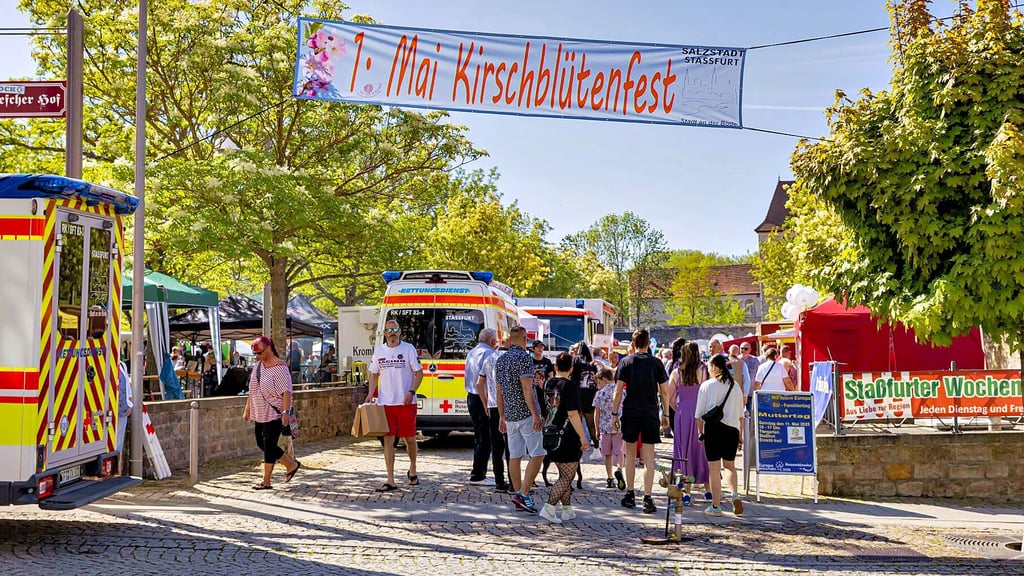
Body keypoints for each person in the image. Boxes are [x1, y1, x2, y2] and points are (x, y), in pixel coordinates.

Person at [611, 328, 671, 514]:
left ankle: (630, 493)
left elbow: (618, 390)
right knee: (649, 457)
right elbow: (665, 391)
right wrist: (666, 414)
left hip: (630, 410)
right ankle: (648, 497)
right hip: (650, 411)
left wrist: (614, 414)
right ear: (648, 344)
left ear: (634, 343)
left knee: (630, 454)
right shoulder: (657, 363)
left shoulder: (626, 362)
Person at [366, 320, 424, 492]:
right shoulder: (379, 351)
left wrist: (411, 391)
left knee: (410, 439)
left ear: (400, 332)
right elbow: (373, 374)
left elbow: (418, 373)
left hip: (406, 402)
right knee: (388, 440)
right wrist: (371, 393)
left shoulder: (408, 349)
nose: (392, 333)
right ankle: (390, 479)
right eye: (389, 330)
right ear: (384, 333)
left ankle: (413, 468)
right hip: (386, 403)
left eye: (395, 329)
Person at [495, 325, 545, 514]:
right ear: (524, 339)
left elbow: (499, 391)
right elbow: (527, 388)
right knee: (538, 453)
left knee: (514, 456)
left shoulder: (501, 360)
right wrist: (535, 413)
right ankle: (523, 493)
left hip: (509, 414)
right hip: (525, 414)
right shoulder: (524, 358)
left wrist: (501, 415)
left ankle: (518, 494)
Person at [242, 335, 301, 489]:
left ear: (268, 348)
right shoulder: (258, 366)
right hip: (259, 413)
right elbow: (252, 389)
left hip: (275, 412)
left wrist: (286, 412)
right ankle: (291, 464)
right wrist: (247, 409)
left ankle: (266, 480)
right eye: (255, 354)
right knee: (261, 443)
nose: (257, 356)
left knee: (269, 445)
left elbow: (286, 392)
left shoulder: (280, 368)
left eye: (259, 353)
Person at [539, 352, 590, 524]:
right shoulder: (570, 386)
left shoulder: (548, 383)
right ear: (571, 368)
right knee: (567, 476)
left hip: (550, 434)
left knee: (564, 473)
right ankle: (549, 507)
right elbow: (573, 414)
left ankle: (567, 510)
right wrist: (583, 438)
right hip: (567, 435)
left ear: (555, 367)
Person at [695, 354, 745, 516]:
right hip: (732, 429)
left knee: (714, 469)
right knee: (730, 465)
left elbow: (699, 415)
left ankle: (716, 506)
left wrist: (700, 433)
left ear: (715, 367)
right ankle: (734, 495)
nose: (708, 370)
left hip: (714, 430)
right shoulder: (735, 386)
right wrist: (740, 435)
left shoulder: (707, 386)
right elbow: (741, 415)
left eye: (709, 367)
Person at [670, 342, 710, 505]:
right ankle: (708, 490)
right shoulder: (702, 370)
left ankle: (686, 491)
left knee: (683, 450)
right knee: (702, 449)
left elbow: (670, 397)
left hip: (683, 413)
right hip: (700, 412)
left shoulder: (676, 372)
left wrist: (678, 408)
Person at [479, 335, 512, 493]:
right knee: (512, 446)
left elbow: (479, 383)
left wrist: (485, 402)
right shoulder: (512, 359)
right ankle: (514, 482)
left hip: (492, 406)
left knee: (496, 447)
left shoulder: (490, 358)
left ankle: (499, 481)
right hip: (511, 407)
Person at [465, 328, 497, 485]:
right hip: (483, 398)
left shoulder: (472, 352)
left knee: (479, 436)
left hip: (471, 397)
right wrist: (487, 404)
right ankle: (478, 474)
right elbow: (486, 382)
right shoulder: (490, 354)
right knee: (485, 437)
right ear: (492, 341)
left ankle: (478, 471)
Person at [592, 367, 625, 490]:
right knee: (620, 451)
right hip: (618, 425)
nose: (598, 386)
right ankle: (619, 469)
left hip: (604, 427)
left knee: (608, 454)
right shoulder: (620, 390)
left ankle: (610, 478)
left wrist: (596, 429)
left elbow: (597, 412)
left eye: (599, 383)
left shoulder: (599, 393)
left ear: (603, 379)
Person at [570, 341, 598, 451]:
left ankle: (578, 449)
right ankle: (596, 448)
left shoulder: (576, 360)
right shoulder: (592, 363)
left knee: (578, 422)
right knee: (591, 423)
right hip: (590, 394)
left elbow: (572, 376)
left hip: (578, 393)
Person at [530, 340, 554, 419]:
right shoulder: (529, 361)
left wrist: (546, 384)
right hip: (533, 390)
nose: (540, 349)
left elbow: (551, 377)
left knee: (545, 412)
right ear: (533, 349)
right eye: (538, 347)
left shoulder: (547, 361)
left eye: (542, 347)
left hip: (544, 390)